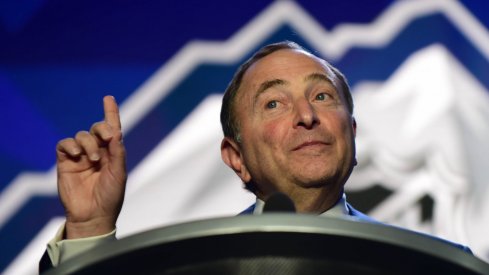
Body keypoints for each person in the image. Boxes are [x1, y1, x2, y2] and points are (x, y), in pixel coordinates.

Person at [40, 41, 471, 271]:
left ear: (352, 135)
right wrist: (89, 227)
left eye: (322, 96)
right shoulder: (182, 266)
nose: (307, 115)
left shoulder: (437, 267)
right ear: (236, 157)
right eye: (273, 104)